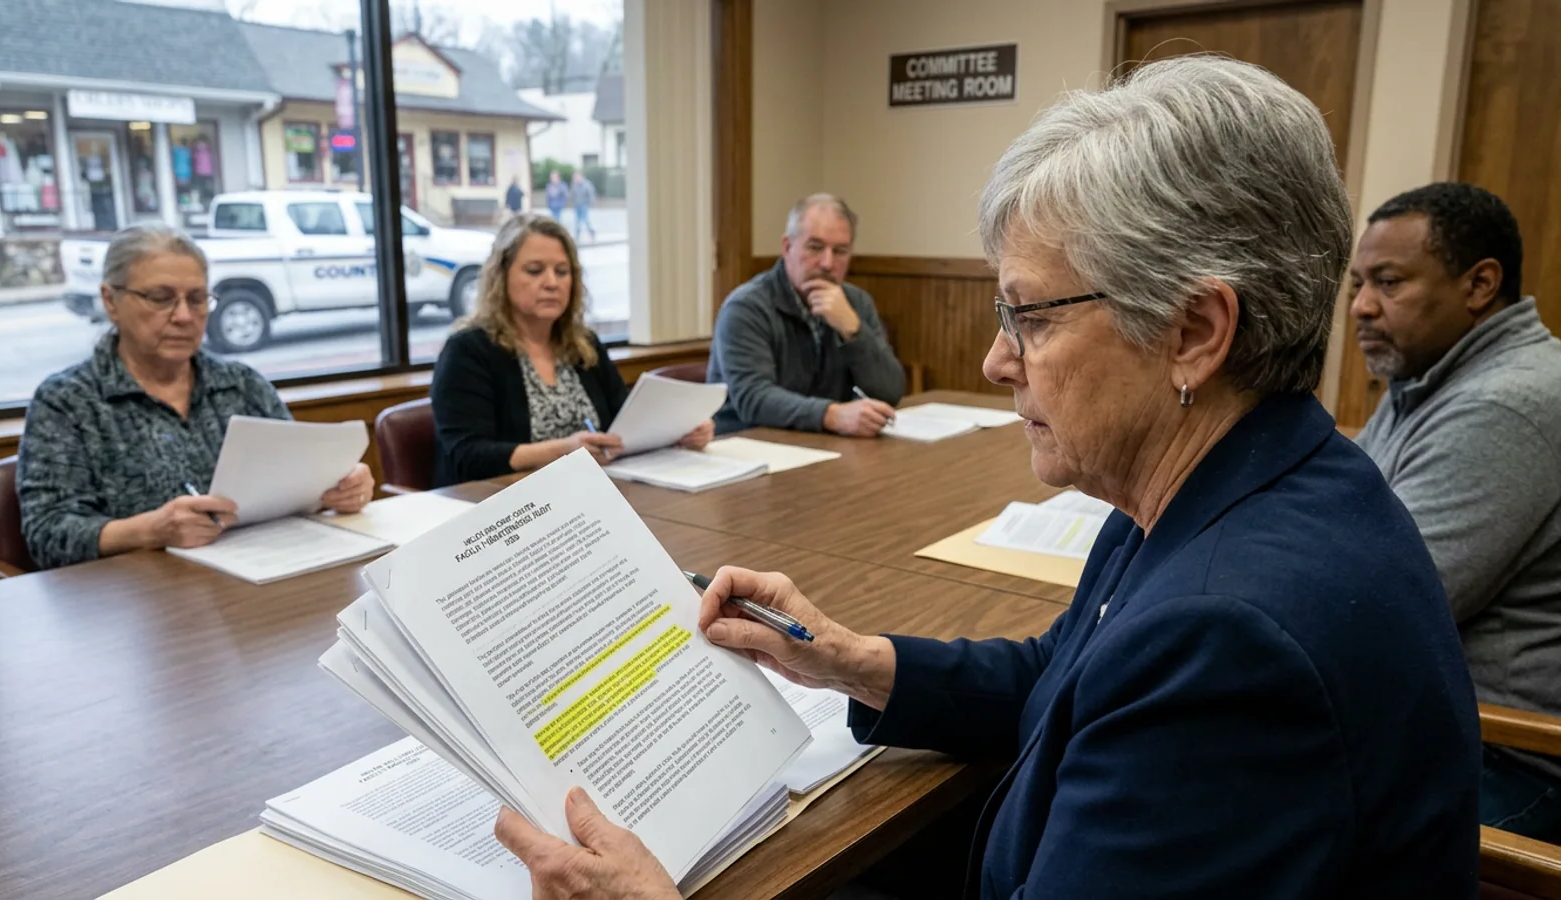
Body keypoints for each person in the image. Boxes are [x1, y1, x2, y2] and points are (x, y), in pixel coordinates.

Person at [492, 57, 1481, 898]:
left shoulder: (1226, 648)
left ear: (1192, 331)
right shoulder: (1233, 483)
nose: (996, 361)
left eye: (1029, 317)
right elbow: (1063, 677)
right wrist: (849, 659)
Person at [1350, 182, 1561, 842]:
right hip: (1430, 724)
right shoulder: (1427, 379)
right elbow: (1337, 523)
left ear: (1480, 285)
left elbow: (1378, 605)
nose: (1361, 306)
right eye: (1358, 283)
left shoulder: (1504, 406)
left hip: (1508, 760)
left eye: (1388, 283)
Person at [16, 225, 374, 570]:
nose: (184, 316)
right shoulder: (68, 401)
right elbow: (47, 533)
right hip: (137, 593)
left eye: (198, 299)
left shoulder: (241, 384)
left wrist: (339, 485)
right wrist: (150, 530)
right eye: (161, 298)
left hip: (263, 571)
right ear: (111, 301)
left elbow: (299, 480)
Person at [430, 213, 713, 485]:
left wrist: (677, 433)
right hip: (504, 503)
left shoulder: (583, 345)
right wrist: (564, 451)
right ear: (501, 277)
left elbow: (625, 426)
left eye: (562, 272)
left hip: (590, 491)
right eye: (535, 271)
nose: (552, 283)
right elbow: (467, 456)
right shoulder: (468, 350)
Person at [707, 194, 905, 435]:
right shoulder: (746, 307)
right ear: (787, 247)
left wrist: (854, 331)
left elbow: (890, 391)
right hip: (747, 443)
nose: (827, 263)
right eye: (815, 247)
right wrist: (831, 415)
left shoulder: (856, 303)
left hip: (820, 442)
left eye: (840, 251)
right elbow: (754, 399)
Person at [570, 171, 597, 242]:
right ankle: (578, 235)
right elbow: (572, 194)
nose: (575, 178)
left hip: (584, 205)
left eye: (576, 177)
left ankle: (591, 232)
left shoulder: (587, 184)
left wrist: (591, 203)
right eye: (574, 177)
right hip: (577, 205)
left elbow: (591, 194)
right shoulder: (574, 185)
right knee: (577, 221)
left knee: (585, 221)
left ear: (581, 176)